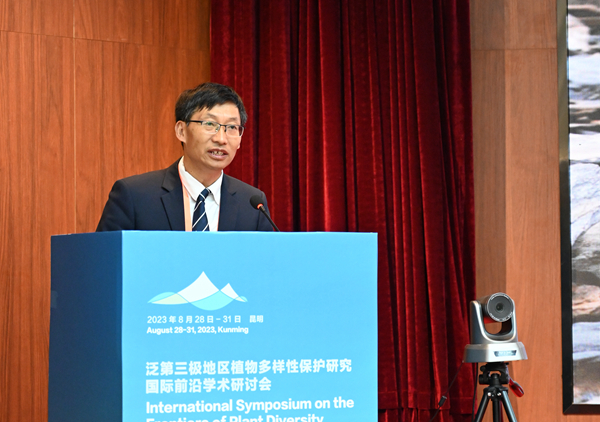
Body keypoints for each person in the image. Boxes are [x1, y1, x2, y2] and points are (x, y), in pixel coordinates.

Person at [96, 82, 273, 232]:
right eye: (209, 124)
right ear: (181, 131)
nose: (221, 138)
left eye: (232, 127)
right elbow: (105, 259)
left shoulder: (253, 205)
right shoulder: (135, 196)